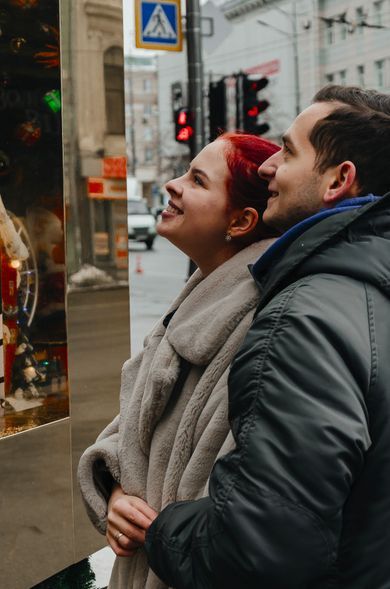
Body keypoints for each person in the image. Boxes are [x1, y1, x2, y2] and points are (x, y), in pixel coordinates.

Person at [144, 85, 390, 588]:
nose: (268, 165)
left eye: (289, 150)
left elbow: (257, 549)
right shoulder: (362, 288)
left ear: (338, 180)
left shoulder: (305, 317)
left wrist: (161, 526)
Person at [77, 132, 280, 589]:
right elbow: (135, 427)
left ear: (242, 220)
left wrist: (161, 531)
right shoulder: (198, 297)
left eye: (197, 180)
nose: (172, 184)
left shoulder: (261, 323)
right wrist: (114, 495)